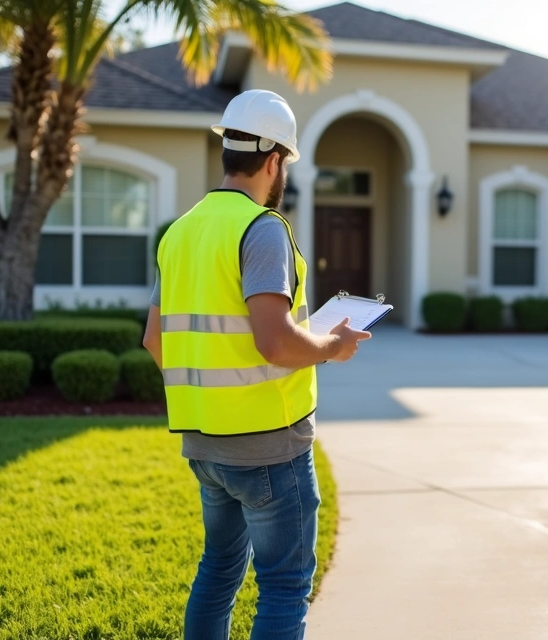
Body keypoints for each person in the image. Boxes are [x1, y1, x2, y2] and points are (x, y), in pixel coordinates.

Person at [142, 89, 371, 640]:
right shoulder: (261, 228)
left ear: (228, 151)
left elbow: (155, 339)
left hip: (205, 444)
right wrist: (330, 347)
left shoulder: (181, 232)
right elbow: (273, 343)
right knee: (285, 586)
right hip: (269, 446)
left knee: (218, 571)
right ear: (274, 161)